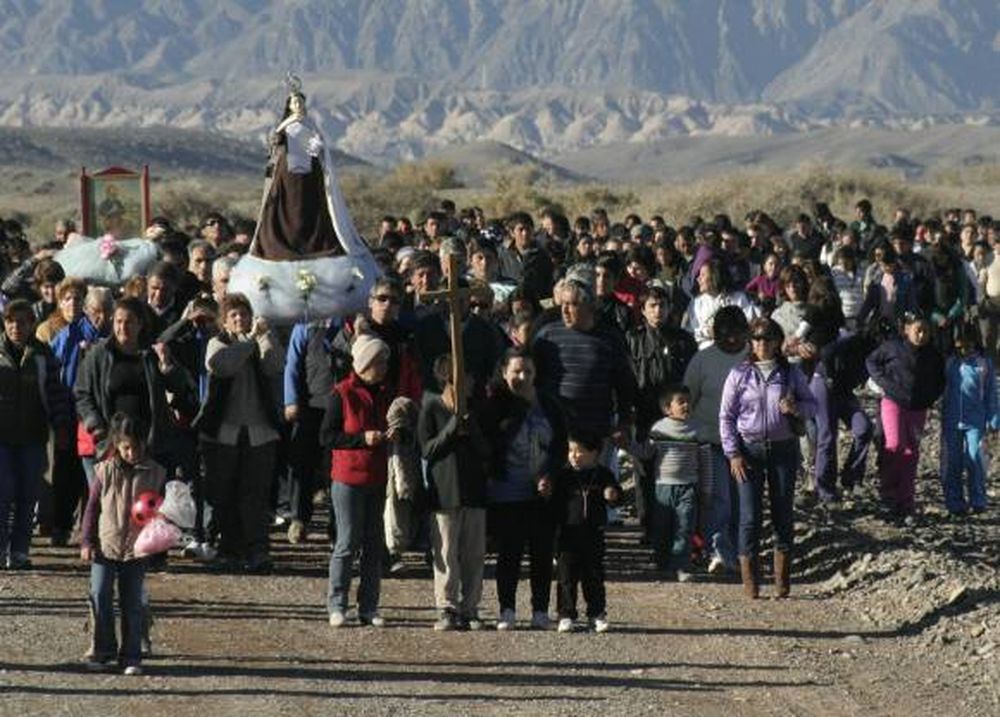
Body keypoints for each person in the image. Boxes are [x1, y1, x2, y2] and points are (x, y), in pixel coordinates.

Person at [720, 317, 816, 599]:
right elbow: (726, 416)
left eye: (768, 339)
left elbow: (812, 405)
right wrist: (733, 453)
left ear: (777, 342)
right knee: (749, 516)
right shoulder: (739, 374)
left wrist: (796, 407)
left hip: (783, 449)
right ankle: (750, 581)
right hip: (749, 450)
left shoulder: (790, 374)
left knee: (782, 514)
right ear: (751, 342)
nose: (762, 344)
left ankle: (782, 581)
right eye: (757, 338)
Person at [195, 293, 283, 572]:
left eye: (243, 314)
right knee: (225, 493)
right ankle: (229, 549)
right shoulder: (217, 343)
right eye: (233, 315)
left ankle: (258, 549)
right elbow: (221, 365)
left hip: (260, 432)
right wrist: (247, 341)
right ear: (225, 320)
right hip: (223, 432)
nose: (239, 319)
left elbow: (274, 365)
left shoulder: (260, 341)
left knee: (255, 494)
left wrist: (265, 336)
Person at [483, 348, 567, 631]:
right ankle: (506, 608)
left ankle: (540, 610)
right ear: (504, 372)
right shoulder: (495, 404)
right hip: (507, 488)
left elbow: (560, 446)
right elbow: (491, 443)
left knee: (542, 553)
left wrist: (550, 475)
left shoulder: (550, 404)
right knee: (510, 552)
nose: (522, 377)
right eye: (516, 371)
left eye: (528, 371)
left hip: (542, 491)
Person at [80, 413, 165, 675]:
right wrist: (86, 540)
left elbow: (161, 515)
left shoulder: (156, 473)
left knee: (132, 601)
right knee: (99, 594)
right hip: (105, 546)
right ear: (117, 445)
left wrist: (160, 549)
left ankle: (131, 655)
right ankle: (102, 650)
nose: (131, 452)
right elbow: (92, 508)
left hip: (137, 549)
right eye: (126, 447)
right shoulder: (103, 472)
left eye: (136, 447)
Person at [320, 334, 393, 628]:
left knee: (374, 543)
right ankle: (337, 603)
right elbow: (327, 436)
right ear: (366, 364)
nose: (385, 367)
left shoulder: (386, 393)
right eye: (380, 362)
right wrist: (362, 439)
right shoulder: (342, 393)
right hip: (348, 478)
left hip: (377, 476)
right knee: (347, 542)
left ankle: (369, 606)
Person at [419, 354, 491, 631]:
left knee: (473, 554)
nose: (471, 383)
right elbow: (428, 449)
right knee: (446, 552)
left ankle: (470, 607)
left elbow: (487, 450)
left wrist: (470, 426)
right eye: (466, 378)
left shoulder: (479, 409)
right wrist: (452, 427)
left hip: (474, 489)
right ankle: (447, 606)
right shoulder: (432, 408)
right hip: (444, 489)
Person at [0, 300, 73, 569]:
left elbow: (55, 395)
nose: (15, 327)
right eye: (10, 321)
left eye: (21, 322)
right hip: (2, 438)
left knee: (27, 495)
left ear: (32, 324)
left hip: (33, 436)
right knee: (2, 494)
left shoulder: (43, 356)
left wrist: (62, 426)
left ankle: (19, 551)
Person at [683, 306, 750, 575]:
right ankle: (720, 551)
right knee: (720, 499)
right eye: (725, 334)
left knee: (742, 501)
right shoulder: (703, 360)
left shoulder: (752, 357)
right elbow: (688, 398)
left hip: (745, 442)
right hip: (710, 440)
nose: (731, 339)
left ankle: (740, 550)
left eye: (736, 333)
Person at [865, 312, 945, 519]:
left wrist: (930, 398)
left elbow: (940, 380)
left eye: (925, 331)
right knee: (894, 445)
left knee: (911, 453)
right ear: (906, 329)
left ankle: (905, 500)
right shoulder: (893, 347)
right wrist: (883, 383)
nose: (921, 335)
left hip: (918, 408)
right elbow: (872, 362)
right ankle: (888, 493)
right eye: (918, 330)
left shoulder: (933, 354)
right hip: (893, 402)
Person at [253, 88, 346, 260]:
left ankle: (312, 242)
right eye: (295, 102)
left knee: (310, 206)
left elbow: (319, 144)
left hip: (309, 174)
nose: (299, 105)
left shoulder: (310, 123)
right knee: (288, 207)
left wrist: (317, 144)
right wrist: (286, 124)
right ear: (289, 105)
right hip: (287, 175)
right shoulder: (285, 125)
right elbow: (274, 143)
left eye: (301, 101)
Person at [639, 385, 712, 582]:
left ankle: (681, 565)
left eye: (688, 401)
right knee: (662, 527)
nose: (686, 405)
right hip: (663, 487)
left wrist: (706, 490)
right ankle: (662, 564)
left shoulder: (698, 430)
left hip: (688, 487)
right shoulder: (658, 429)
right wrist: (627, 446)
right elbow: (646, 453)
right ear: (667, 408)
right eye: (681, 402)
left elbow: (705, 463)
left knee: (685, 527)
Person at [551, 432, 619, 633]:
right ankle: (565, 614)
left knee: (594, 576)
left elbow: (617, 494)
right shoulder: (563, 475)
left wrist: (613, 494)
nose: (574, 455)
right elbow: (553, 505)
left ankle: (596, 613)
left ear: (594, 453)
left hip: (593, 533)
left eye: (579, 451)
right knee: (566, 577)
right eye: (570, 451)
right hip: (567, 533)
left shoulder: (604, 474)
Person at [940, 323, 998, 516]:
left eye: (969, 344)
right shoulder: (950, 362)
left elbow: (991, 392)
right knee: (953, 461)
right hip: (951, 419)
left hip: (976, 420)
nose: (965, 349)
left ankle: (978, 499)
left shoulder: (984, 363)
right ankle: (954, 501)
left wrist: (994, 417)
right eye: (961, 345)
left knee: (976, 459)